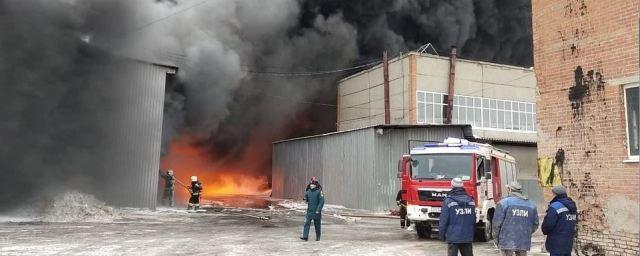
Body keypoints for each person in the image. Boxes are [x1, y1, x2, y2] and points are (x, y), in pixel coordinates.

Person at [492, 181, 539, 256]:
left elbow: (496, 224)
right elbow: (535, 224)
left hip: (506, 240)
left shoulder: (503, 203)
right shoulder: (531, 205)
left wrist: (496, 239)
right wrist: (525, 233)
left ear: (510, 190)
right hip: (523, 240)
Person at [438, 177, 476, 256]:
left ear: (452, 186)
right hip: (467, 236)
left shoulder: (448, 201)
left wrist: (441, 235)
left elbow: (443, 220)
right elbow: (473, 220)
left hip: (453, 237)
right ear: (462, 186)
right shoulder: (471, 201)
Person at [541, 186, 577, 256]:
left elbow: (548, 225)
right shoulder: (572, 206)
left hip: (556, 243)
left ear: (555, 194)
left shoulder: (555, 206)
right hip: (568, 243)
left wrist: (544, 230)